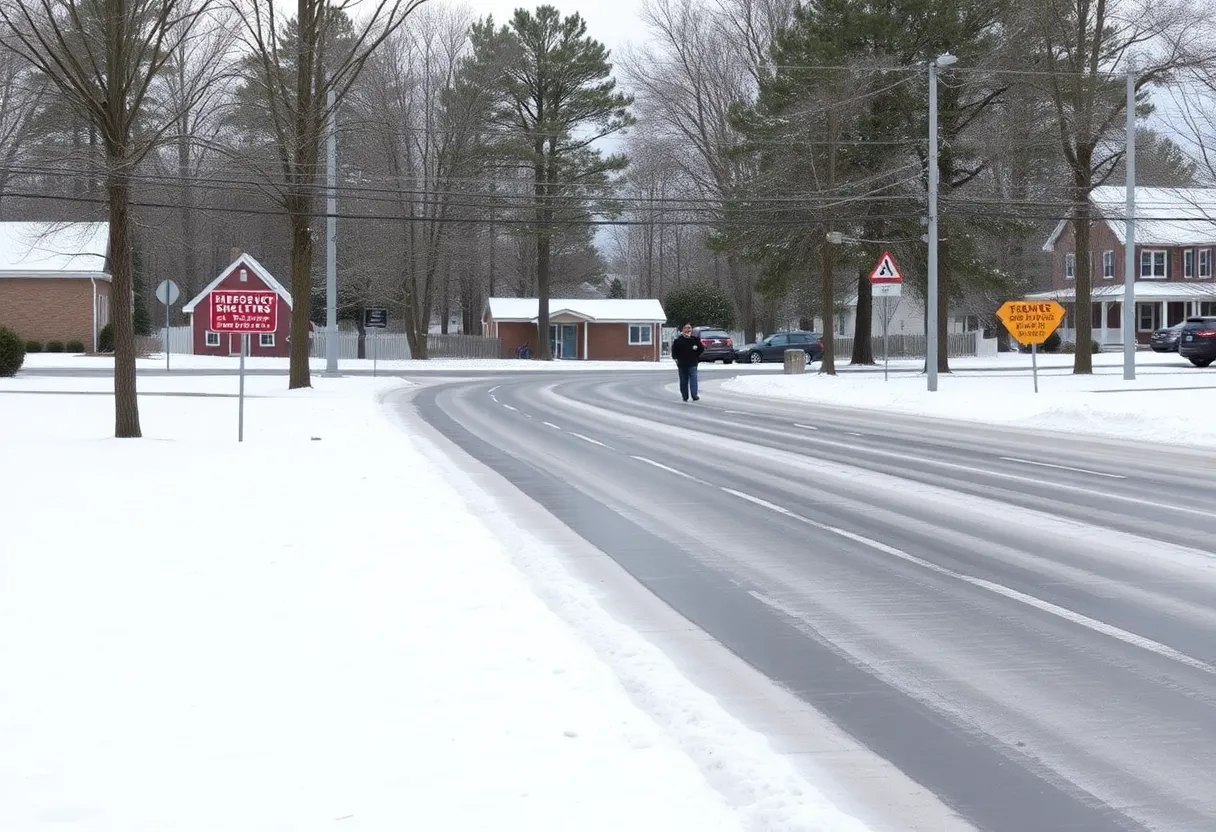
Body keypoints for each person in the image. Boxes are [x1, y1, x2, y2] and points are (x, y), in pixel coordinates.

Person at [670, 323, 703, 401]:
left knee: (694, 380)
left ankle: (694, 395)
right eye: (686, 328)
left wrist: (696, 355)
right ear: (682, 330)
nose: (688, 330)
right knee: (683, 381)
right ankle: (685, 396)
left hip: (693, 363)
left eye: (690, 328)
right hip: (682, 364)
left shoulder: (695, 340)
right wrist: (676, 359)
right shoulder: (678, 341)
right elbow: (674, 352)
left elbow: (701, 348)